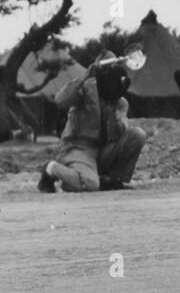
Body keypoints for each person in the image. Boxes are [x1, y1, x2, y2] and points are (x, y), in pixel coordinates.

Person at [38, 51, 146, 193]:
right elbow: (60, 100)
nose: (112, 73)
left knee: (137, 135)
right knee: (90, 185)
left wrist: (114, 112)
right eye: (107, 68)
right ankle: (51, 168)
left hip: (101, 150)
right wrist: (84, 76)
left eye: (114, 68)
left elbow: (121, 130)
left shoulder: (119, 102)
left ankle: (114, 181)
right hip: (79, 148)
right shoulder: (86, 88)